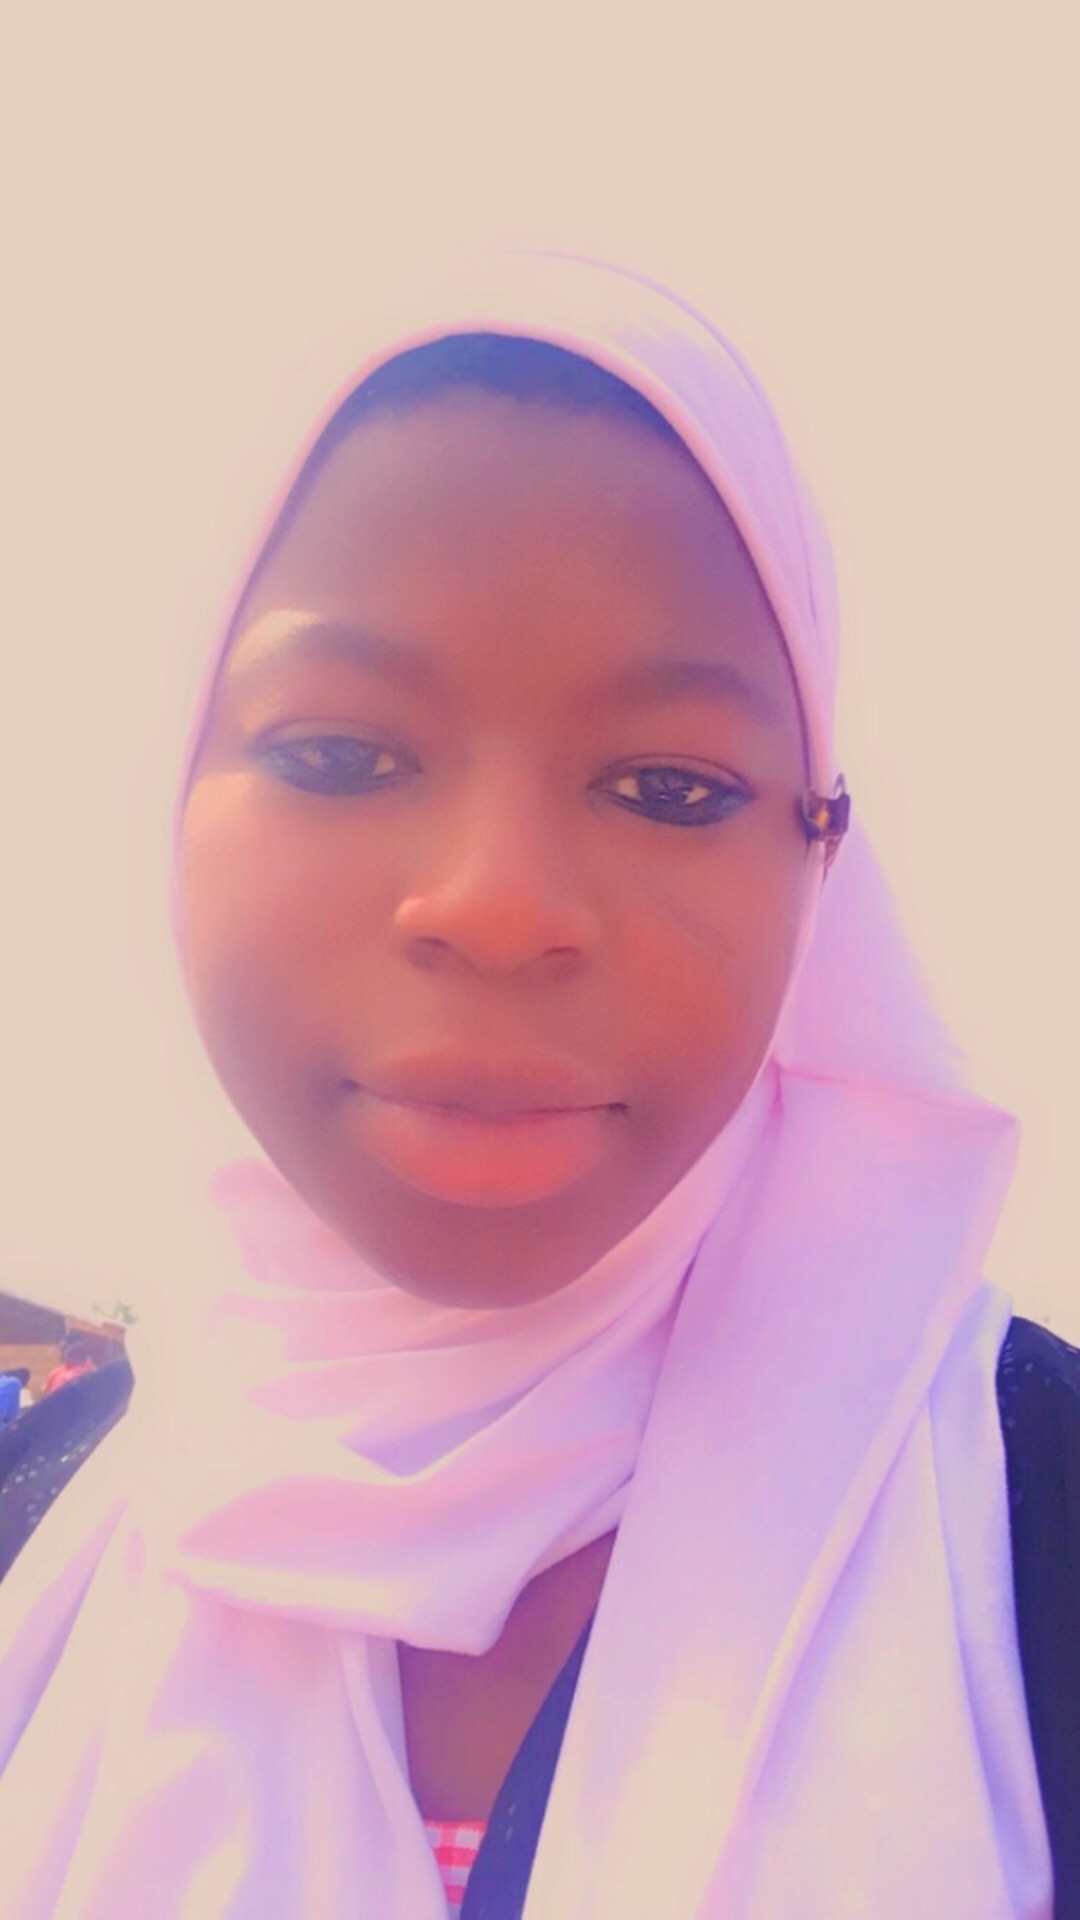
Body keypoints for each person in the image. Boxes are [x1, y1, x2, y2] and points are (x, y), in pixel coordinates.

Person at [0, 251, 1073, 1918]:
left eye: (667, 787)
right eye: (341, 754)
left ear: (821, 858)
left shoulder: (1030, 1516)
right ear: (173, 791)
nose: (496, 905)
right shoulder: (48, 1525)